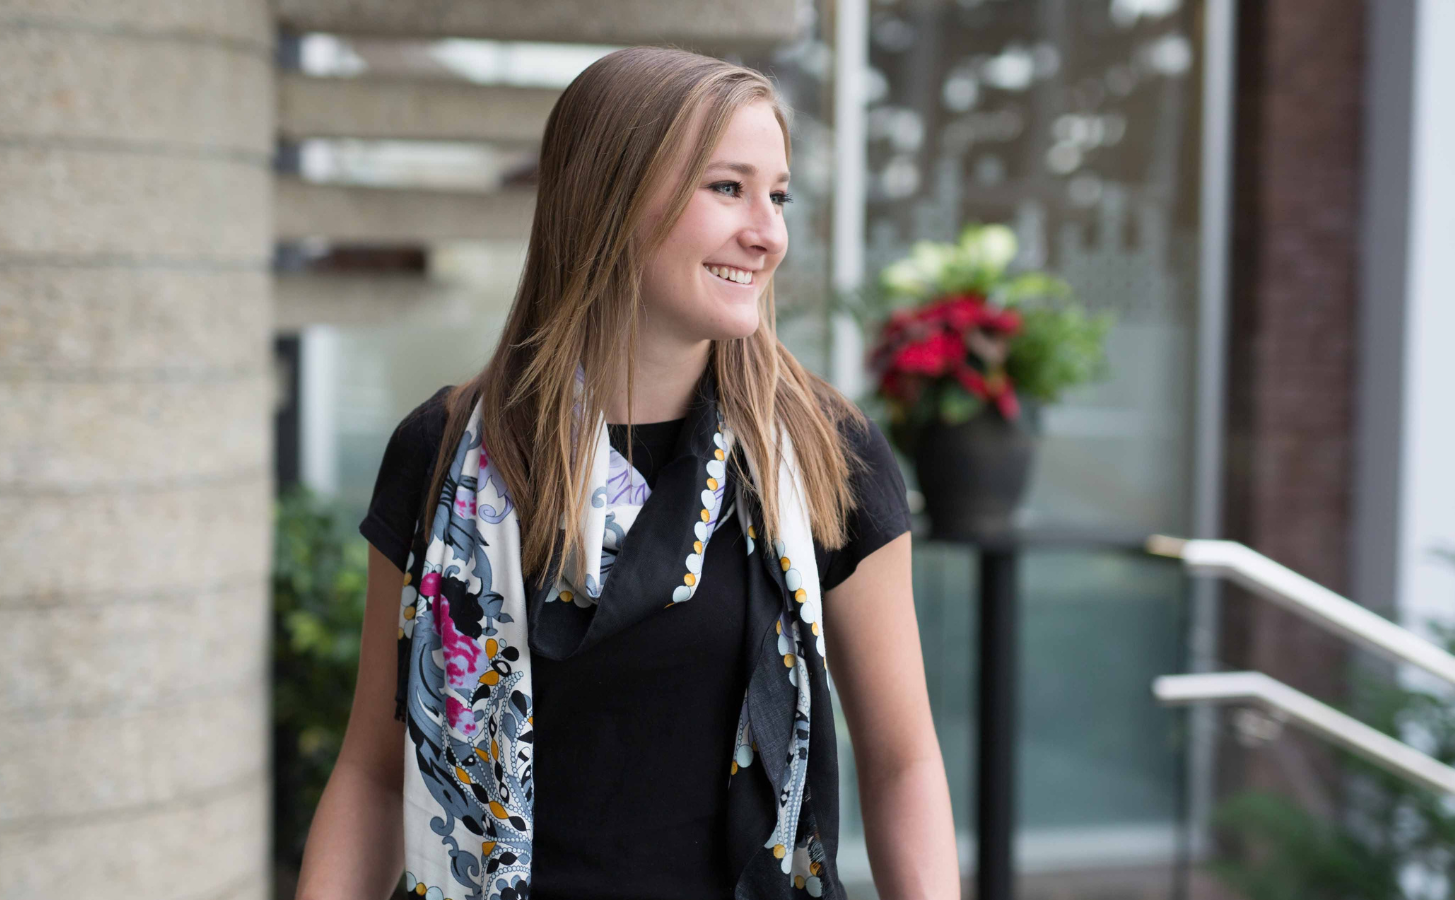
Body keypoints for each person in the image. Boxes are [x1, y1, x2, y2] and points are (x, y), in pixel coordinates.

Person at [295, 46, 958, 900]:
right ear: (609, 199)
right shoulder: (447, 452)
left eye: (778, 195)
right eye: (728, 188)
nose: (768, 232)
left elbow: (903, 764)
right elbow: (375, 772)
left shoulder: (825, 455)